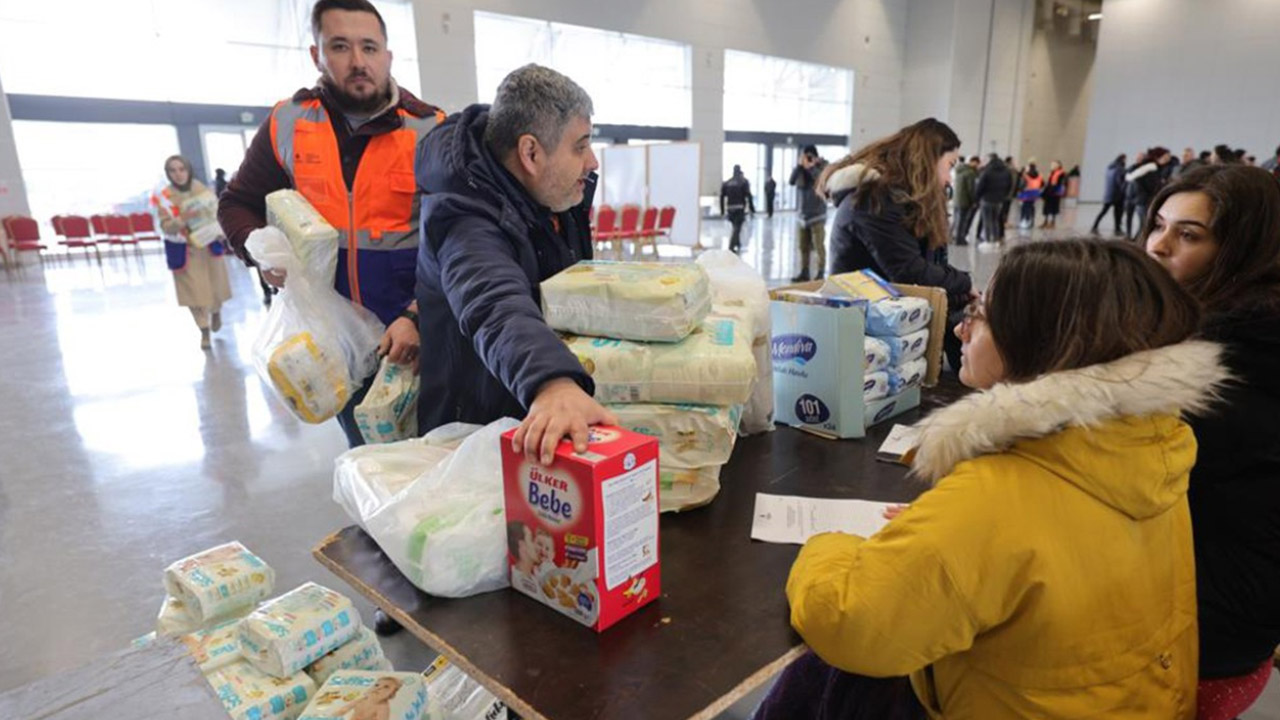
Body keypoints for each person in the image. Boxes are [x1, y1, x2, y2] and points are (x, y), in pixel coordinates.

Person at [755, 239, 1226, 720]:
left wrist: (827, 545)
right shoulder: (1152, 445)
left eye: (980, 313)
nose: (962, 328)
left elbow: (851, 622)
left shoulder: (995, 496)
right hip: (1143, 702)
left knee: (825, 677)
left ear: (1037, 340)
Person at [217, 0, 444, 449]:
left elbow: (457, 241)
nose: (358, 61)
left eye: (369, 47)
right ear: (317, 55)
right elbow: (237, 203)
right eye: (340, 46)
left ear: (388, 56)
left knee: (427, 453)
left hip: (414, 335)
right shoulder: (288, 122)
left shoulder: (430, 130)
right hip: (334, 340)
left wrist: (416, 314)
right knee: (364, 450)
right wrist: (259, 249)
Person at [415, 63, 615, 466]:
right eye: (580, 146)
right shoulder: (464, 217)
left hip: (528, 416)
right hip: (476, 434)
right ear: (530, 153)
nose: (592, 162)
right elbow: (494, 301)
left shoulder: (550, 198)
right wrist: (553, 383)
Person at [1142, 164, 1280, 720]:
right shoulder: (1215, 330)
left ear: (1241, 251)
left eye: (1188, 234)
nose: (1158, 245)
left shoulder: (1233, 357)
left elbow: (1121, 462)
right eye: (1159, 224)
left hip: (1206, 633)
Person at [819, 118, 972, 372]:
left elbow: (927, 264)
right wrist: (964, 282)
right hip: (868, 334)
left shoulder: (901, 201)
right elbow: (911, 272)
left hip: (890, 321)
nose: (949, 179)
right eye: (949, 165)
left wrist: (961, 291)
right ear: (928, 159)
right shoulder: (874, 201)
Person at [154, 155, 233, 351]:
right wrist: (182, 219)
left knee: (214, 289)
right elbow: (165, 227)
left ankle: (216, 312)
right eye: (173, 170)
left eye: (182, 169)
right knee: (194, 294)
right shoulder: (165, 198)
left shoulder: (203, 190)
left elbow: (218, 214)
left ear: (188, 170)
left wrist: (221, 231)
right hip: (186, 250)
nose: (178, 174)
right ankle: (203, 330)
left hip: (209, 246)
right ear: (168, 174)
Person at [790, 144, 829, 281]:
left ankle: (820, 272)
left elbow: (821, 181)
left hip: (817, 214)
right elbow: (791, 181)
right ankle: (804, 272)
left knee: (818, 246)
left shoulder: (823, 166)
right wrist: (799, 166)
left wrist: (812, 167)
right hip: (802, 215)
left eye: (810, 156)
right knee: (803, 246)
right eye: (806, 156)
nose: (808, 159)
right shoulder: (800, 169)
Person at [1125, 146, 1172, 238]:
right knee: (1144, 226)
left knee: (1143, 226)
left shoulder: (1150, 168)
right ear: (1159, 157)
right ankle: (1135, 246)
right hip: (1144, 201)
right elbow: (1152, 187)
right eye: (1166, 156)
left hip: (1141, 201)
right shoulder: (1151, 169)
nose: (1168, 159)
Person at [973, 152, 1012, 245]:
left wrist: (976, 198)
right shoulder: (1006, 171)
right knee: (995, 220)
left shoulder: (987, 171)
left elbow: (980, 187)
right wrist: (1003, 195)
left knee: (987, 220)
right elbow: (1010, 185)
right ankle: (995, 240)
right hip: (999, 200)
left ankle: (988, 241)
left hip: (987, 199)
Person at [720, 164, 755, 253]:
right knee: (737, 227)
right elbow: (749, 196)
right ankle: (731, 246)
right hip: (739, 207)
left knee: (735, 226)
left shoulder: (727, 182)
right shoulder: (743, 182)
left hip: (730, 208)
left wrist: (722, 210)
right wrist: (752, 208)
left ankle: (738, 243)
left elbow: (722, 197)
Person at [1089, 153, 1126, 235]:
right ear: (1122, 159)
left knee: (1103, 211)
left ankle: (1094, 226)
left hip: (1109, 194)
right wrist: (1125, 188)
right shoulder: (1119, 169)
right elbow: (1119, 182)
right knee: (1117, 213)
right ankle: (1117, 229)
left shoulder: (1109, 168)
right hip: (1117, 195)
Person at [949, 156, 978, 245]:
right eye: (977, 162)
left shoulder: (959, 170)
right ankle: (959, 240)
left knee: (957, 220)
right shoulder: (970, 173)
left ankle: (953, 237)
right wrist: (973, 200)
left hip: (957, 199)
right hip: (965, 201)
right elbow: (971, 189)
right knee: (962, 221)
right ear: (973, 162)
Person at [1040, 159, 1065, 229]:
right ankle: (1045, 221)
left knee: (1054, 207)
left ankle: (1053, 222)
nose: (1052, 165)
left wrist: (1058, 191)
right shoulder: (1052, 172)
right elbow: (1049, 182)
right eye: (1052, 164)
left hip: (1055, 192)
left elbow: (1062, 183)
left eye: (1054, 164)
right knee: (1046, 207)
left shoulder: (1061, 173)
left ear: (1058, 165)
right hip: (1049, 191)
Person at [1016, 161, 1041, 228]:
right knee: (1030, 207)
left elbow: (1021, 185)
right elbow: (1042, 183)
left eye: (1027, 167)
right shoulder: (1038, 175)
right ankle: (1030, 221)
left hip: (1026, 194)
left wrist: (1019, 191)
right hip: (1035, 193)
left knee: (1024, 207)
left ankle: (1023, 221)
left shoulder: (1025, 175)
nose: (1025, 168)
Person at [999, 155, 1018, 229]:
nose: (1014, 162)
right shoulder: (1008, 169)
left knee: (1006, 208)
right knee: (1004, 208)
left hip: (1010, 192)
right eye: (1013, 161)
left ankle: (1005, 221)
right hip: (1006, 193)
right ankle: (1003, 222)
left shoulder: (1012, 170)